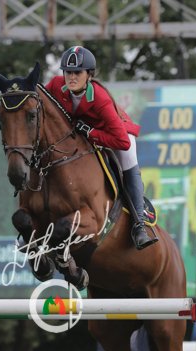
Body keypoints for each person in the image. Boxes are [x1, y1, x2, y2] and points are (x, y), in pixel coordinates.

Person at [44, 45, 158, 250]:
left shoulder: (100, 98)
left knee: (128, 162)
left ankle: (139, 225)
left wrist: (91, 133)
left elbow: (121, 141)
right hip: (83, 134)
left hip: (118, 133)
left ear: (89, 74)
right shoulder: (55, 85)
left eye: (77, 72)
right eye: (68, 72)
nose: (71, 77)